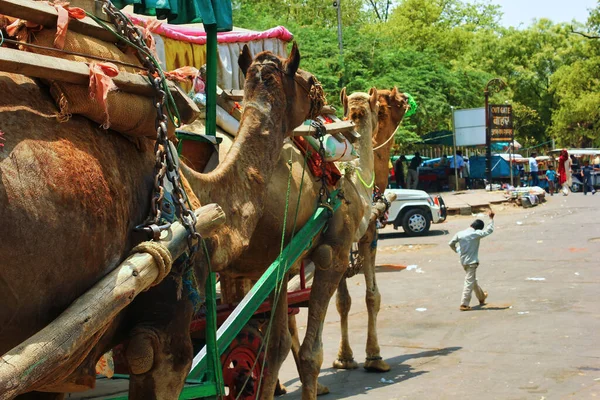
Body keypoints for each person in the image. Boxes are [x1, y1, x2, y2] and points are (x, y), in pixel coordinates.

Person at [449, 210, 495, 311]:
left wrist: (457, 250)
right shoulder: (476, 234)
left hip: (463, 261)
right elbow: (489, 230)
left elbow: (451, 243)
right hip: (472, 262)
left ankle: (482, 297)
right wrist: (491, 219)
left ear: (471, 224)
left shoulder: (460, 233)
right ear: (478, 229)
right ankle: (464, 304)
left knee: (472, 281)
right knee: (469, 282)